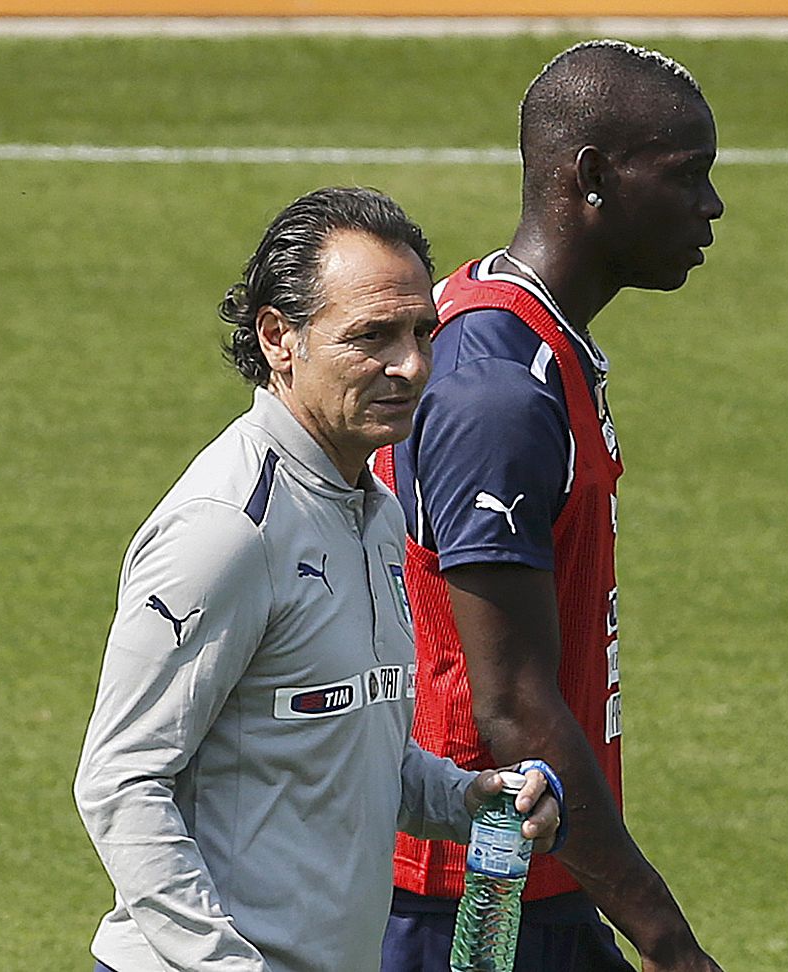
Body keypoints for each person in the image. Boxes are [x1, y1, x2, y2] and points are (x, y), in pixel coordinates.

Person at [74, 186, 563, 972]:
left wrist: (468, 798)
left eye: (420, 332)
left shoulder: (371, 508)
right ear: (279, 337)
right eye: (371, 337)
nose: (409, 365)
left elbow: (352, 747)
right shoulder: (228, 529)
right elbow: (121, 781)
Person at [376, 40, 725, 972]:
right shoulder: (497, 389)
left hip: (536, 863)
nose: (711, 206)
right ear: (594, 178)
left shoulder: (525, 338)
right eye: (688, 174)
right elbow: (512, 705)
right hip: (466, 900)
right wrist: (671, 943)